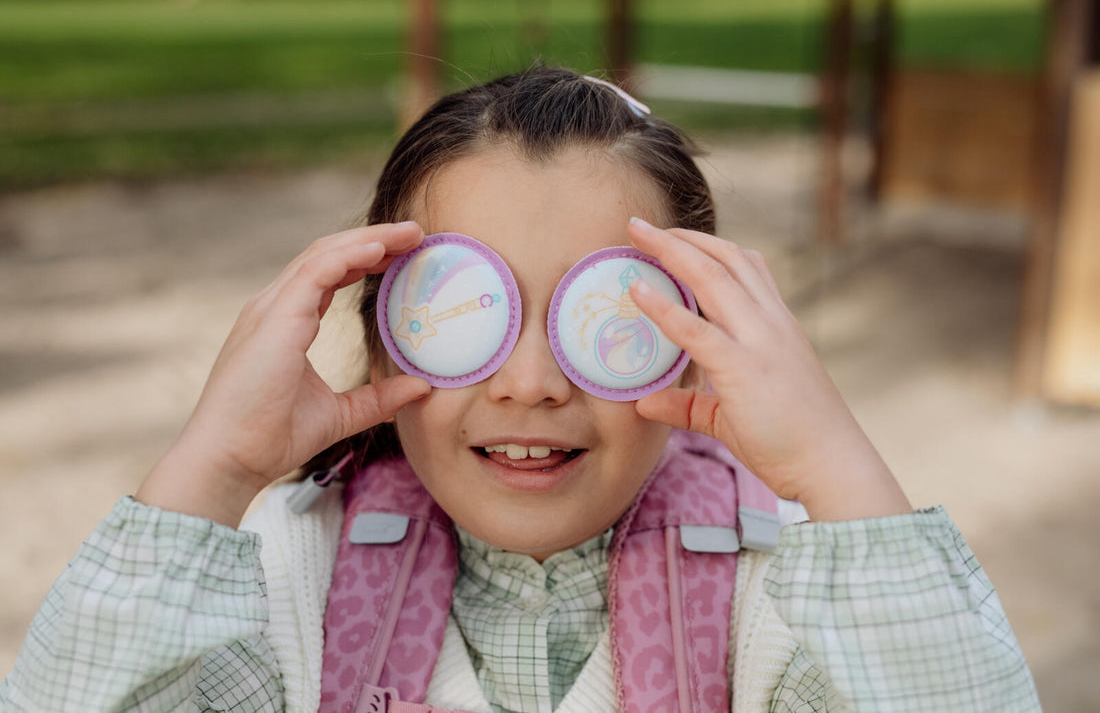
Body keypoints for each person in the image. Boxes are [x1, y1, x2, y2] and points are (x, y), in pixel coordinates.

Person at [0, 66, 1040, 713]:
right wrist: (213, 467)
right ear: (377, 334)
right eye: (466, 313)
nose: (533, 381)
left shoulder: (776, 597)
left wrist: (835, 469)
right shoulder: (284, 581)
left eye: (608, 321)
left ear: (694, 346)